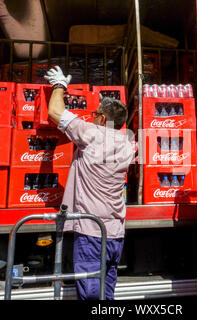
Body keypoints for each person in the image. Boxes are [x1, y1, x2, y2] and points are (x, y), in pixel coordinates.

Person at [44, 66, 134, 300]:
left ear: (102, 118)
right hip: (115, 233)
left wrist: (59, 86)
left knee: (92, 297)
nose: (91, 116)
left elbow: (54, 111)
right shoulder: (127, 144)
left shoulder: (92, 134)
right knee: (107, 294)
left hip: (91, 232)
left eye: (94, 113)